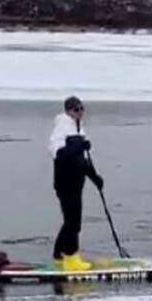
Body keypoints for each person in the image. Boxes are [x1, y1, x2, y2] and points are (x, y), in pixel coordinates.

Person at [48, 96, 104, 271]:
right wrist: (80, 147)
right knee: (73, 222)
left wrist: (95, 178)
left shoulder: (79, 130)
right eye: (76, 110)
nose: (79, 113)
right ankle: (71, 258)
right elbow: (59, 154)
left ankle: (59, 257)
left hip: (77, 182)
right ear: (68, 111)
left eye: (81, 109)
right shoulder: (61, 128)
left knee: (71, 221)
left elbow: (83, 161)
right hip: (65, 182)